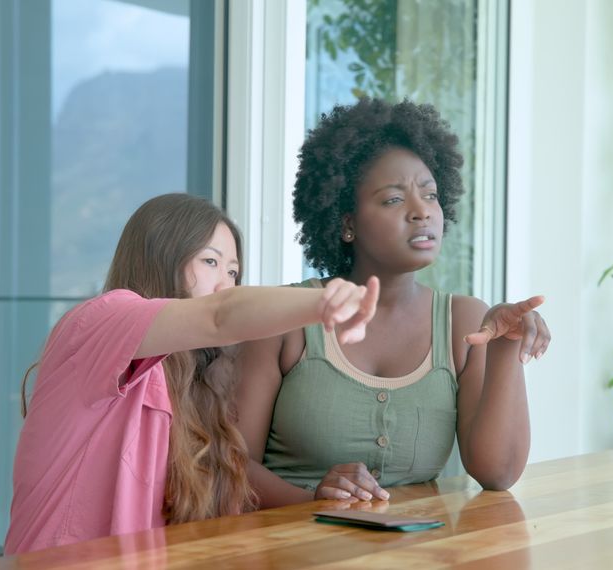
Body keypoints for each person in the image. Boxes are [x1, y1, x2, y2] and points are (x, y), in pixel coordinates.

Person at [4, 193, 379, 554]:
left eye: (233, 272)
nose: (224, 284)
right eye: (210, 262)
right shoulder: (98, 323)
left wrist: (316, 500)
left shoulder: (196, 378)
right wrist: (326, 303)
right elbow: (220, 314)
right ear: (161, 257)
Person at [235, 99, 551, 508]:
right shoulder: (286, 315)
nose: (422, 213)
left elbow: (498, 473)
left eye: (431, 195)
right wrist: (311, 498)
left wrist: (505, 348)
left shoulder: (465, 322)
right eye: (393, 200)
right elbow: (231, 465)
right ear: (347, 223)